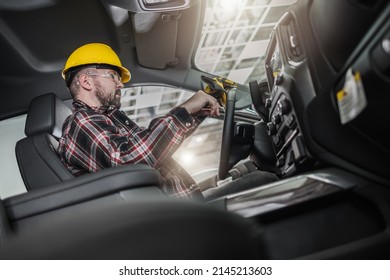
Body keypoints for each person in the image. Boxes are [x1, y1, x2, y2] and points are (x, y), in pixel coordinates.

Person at [57, 43, 221, 201]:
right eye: (113, 76)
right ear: (86, 82)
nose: (120, 84)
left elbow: (151, 145)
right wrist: (185, 110)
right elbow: (129, 162)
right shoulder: (81, 122)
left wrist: (195, 113)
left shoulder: (107, 120)